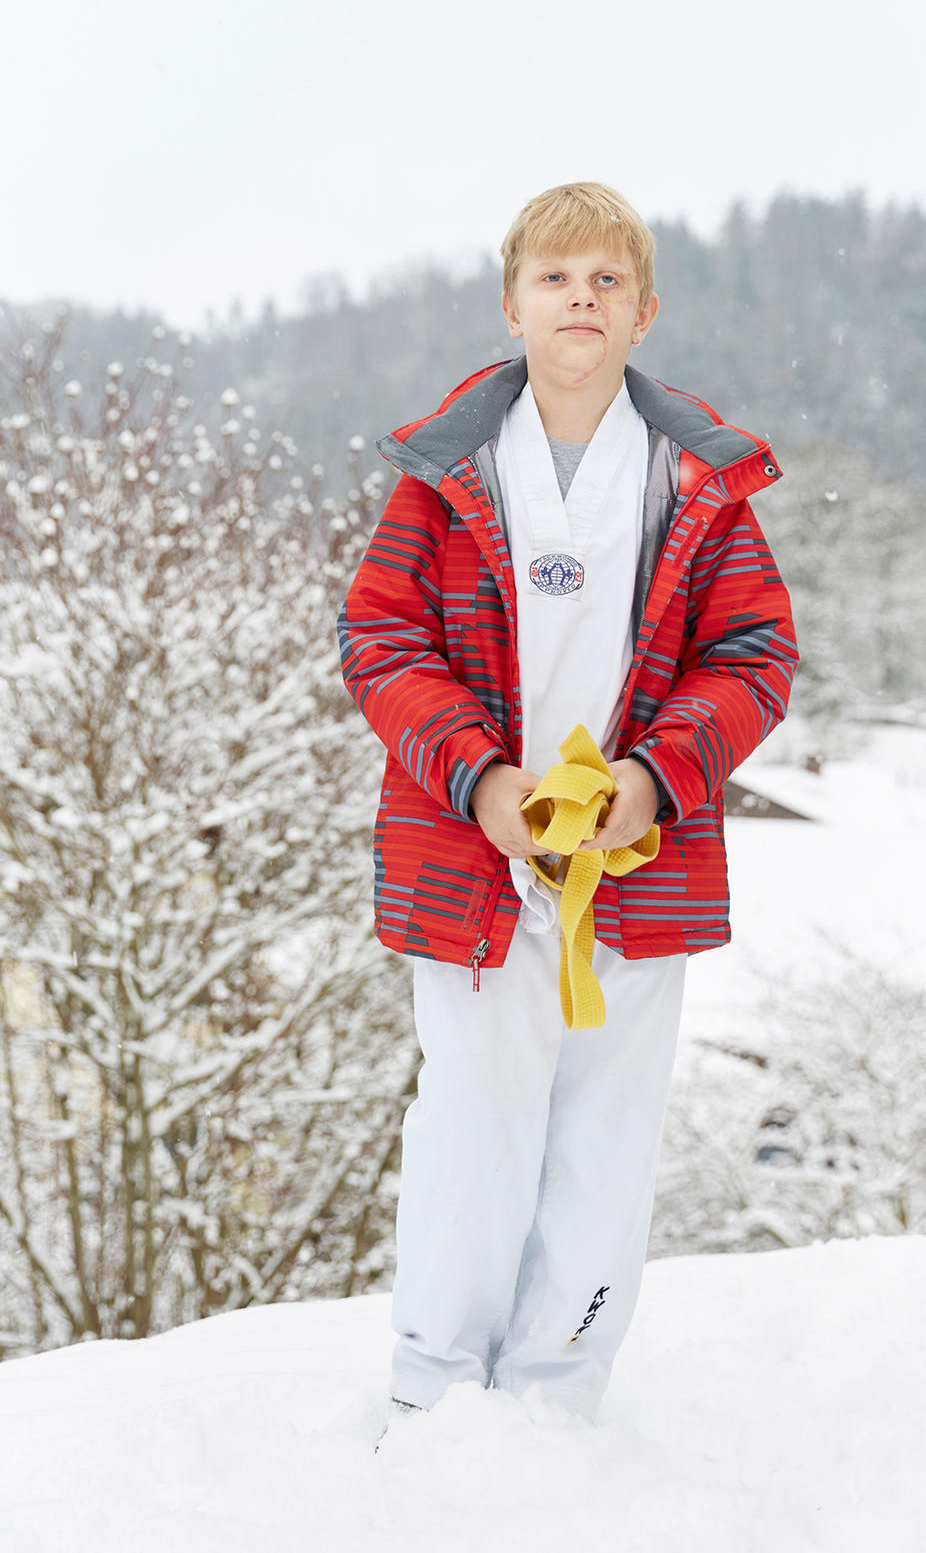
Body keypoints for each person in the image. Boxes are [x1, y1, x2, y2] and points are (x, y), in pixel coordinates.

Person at [339, 181, 795, 1421]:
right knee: (474, 1129)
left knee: (604, 1138)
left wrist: (655, 781)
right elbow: (380, 643)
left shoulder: (698, 481)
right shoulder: (443, 475)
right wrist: (478, 776)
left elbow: (755, 659)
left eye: (605, 282)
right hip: (475, 855)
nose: (579, 300)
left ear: (644, 312)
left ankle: (556, 1395)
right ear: (511, 305)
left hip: (636, 868)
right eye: (555, 279)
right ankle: (433, 1393)